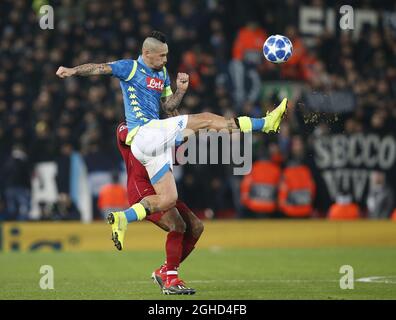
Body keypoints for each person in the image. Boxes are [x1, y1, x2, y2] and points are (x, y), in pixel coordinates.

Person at [56, 30, 287, 291]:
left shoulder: (162, 74)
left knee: (168, 199)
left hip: (153, 143)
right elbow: (99, 68)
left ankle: (123, 219)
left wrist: (180, 90)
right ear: (147, 53)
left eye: (167, 55)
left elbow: (168, 107)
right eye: (162, 55)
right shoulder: (130, 68)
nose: (166, 59)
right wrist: (72, 71)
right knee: (208, 118)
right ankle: (265, 124)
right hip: (144, 132)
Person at [116, 122, 203, 295]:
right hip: (143, 189)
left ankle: (164, 271)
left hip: (163, 187)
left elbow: (177, 156)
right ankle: (171, 279)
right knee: (177, 225)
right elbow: (133, 139)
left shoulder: (160, 128)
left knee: (196, 227)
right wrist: (171, 133)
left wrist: (192, 132)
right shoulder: (124, 127)